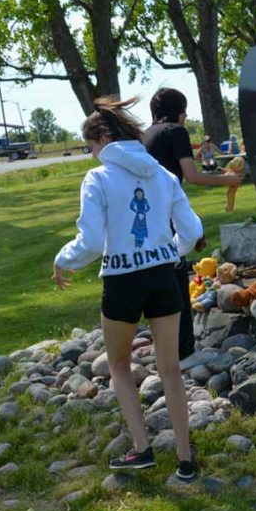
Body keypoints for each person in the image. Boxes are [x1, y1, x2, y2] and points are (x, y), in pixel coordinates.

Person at [53, 96, 203, 482]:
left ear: (103, 138)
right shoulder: (163, 175)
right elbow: (191, 230)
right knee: (170, 369)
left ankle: (142, 448)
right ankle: (185, 458)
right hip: (164, 277)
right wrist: (169, 251)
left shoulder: (98, 179)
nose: (92, 155)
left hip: (122, 281)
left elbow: (91, 243)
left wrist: (63, 260)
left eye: (91, 147)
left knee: (119, 366)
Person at [143, 87, 242, 366]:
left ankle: (164, 350)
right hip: (166, 217)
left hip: (145, 218)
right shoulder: (176, 132)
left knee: (159, 284)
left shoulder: (145, 135)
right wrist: (228, 180)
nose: (185, 117)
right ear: (179, 111)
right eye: (184, 112)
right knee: (177, 285)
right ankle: (184, 353)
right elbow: (192, 176)